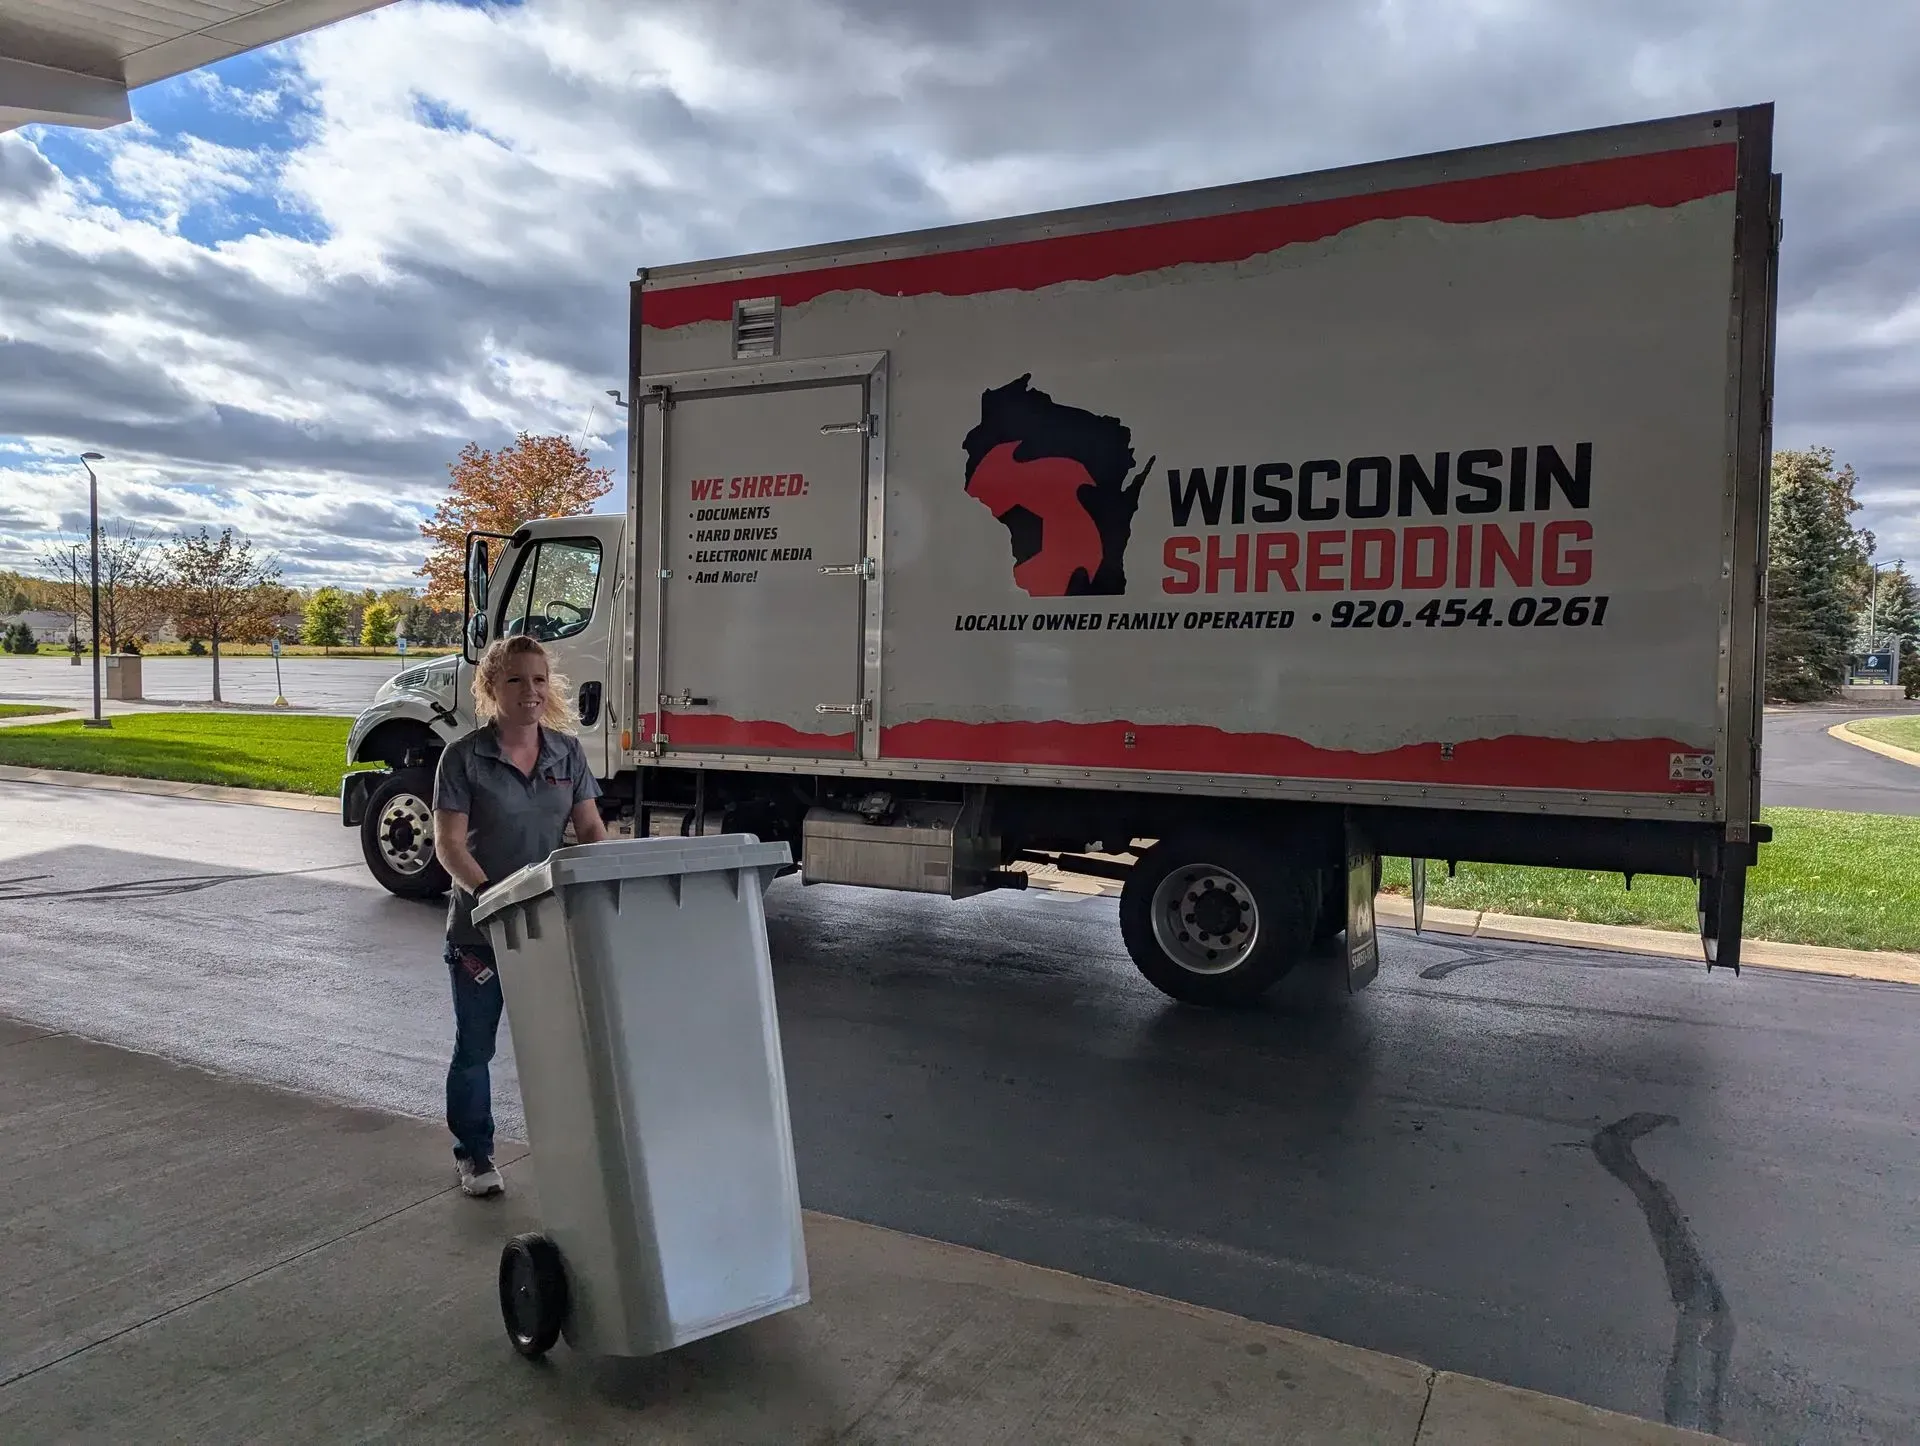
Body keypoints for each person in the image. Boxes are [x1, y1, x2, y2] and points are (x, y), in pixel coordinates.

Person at [432, 634, 606, 1197]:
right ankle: (475, 1156)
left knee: (560, 1045)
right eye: (514, 680)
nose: (528, 691)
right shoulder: (463, 758)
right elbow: (449, 846)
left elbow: (590, 831)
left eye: (537, 680)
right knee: (476, 1047)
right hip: (482, 931)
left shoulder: (566, 752)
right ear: (491, 688)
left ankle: (569, 1149)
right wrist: (492, 896)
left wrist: (604, 877)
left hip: (550, 928)